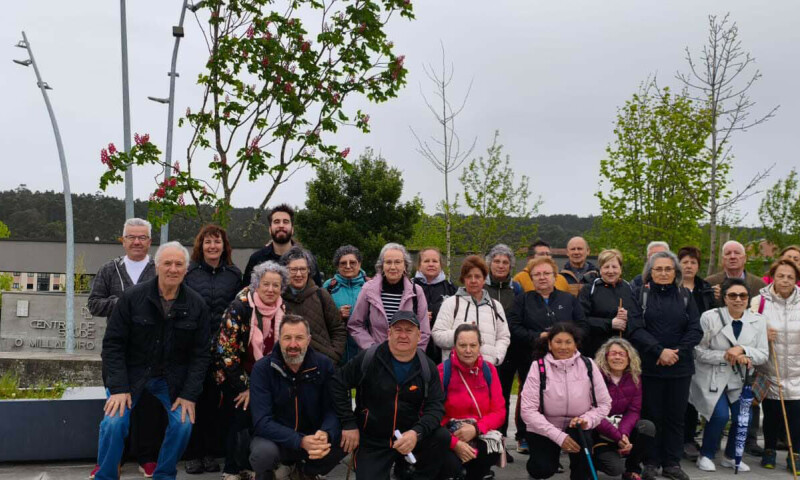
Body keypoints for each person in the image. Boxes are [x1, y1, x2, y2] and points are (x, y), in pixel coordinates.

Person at [92, 242, 211, 480]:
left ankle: (164, 475)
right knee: (114, 424)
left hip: (172, 379)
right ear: (157, 266)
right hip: (132, 375)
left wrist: (189, 394)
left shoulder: (197, 305)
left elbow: (201, 355)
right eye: (167, 263)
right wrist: (118, 388)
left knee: (183, 424)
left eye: (179, 264)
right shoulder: (132, 298)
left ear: (186, 269)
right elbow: (113, 345)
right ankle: (106, 475)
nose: (173, 269)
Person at [331, 310, 450, 480]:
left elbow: (436, 406)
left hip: (409, 438)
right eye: (398, 330)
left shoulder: (427, 366)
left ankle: (409, 474)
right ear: (389, 333)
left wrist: (416, 432)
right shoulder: (369, 358)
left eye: (409, 331)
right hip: (373, 440)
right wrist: (348, 423)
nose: (403, 335)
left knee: (441, 437)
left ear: (419, 336)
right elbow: (338, 383)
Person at [87, 218, 161, 478]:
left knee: (148, 411)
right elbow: (94, 304)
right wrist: (123, 303)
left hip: (152, 353)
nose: (137, 241)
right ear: (123, 240)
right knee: (115, 410)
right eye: (131, 237)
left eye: (142, 237)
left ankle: (147, 457)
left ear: (150, 242)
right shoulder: (110, 269)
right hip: (117, 353)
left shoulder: (159, 269)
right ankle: (110, 460)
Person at [628, 251, 702, 480]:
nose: (663, 273)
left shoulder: (685, 296)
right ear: (650, 272)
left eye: (668, 269)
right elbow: (635, 328)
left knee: (675, 417)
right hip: (650, 366)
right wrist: (659, 351)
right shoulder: (640, 295)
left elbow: (695, 330)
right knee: (652, 416)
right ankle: (650, 461)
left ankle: (672, 462)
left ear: (675, 272)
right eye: (658, 269)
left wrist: (676, 353)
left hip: (680, 368)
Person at [214, 261, 290, 480]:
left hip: (268, 375)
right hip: (235, 374)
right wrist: (247, 387)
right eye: (266, 284)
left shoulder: (283, 308)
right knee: (242, 413)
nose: (270, 290)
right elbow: (226, 352)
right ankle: (231, 468)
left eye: (276, 285)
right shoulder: (239, 307)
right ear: (257, 284)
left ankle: (262, 465)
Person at [505, 256, 587, 456]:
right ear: (531, 278)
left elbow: (583, 325)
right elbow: (513, 327)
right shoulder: (523, 300)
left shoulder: (568, 299)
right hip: (531, 359)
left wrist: (566, 340)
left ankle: (564, 438)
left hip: (566, 362)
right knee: (532, 400)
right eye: (537, 275)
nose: (542, 278)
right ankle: (527, 437)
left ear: (554, 276)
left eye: (546, 273)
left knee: (559, 399)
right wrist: (537, 337)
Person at [248, 315, 346, 480]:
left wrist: (326, 433)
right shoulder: (262, 369)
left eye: (299, 338)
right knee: (262, 454)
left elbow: (333, 409)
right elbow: (261, 421)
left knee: (347, 437)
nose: (293, 345)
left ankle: (306, 472)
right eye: (287, 338)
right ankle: (269, 473)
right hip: (276, 439)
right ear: (279, 339)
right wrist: (300, 440)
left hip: (313, 436)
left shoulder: (324, 365)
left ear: (308, 340)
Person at [690, 278, 769, 472]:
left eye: (742, 295)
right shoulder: (710, 317)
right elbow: (698, 351)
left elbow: (763, 354)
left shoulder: (758, 321)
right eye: (732, 295)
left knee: (745, 417)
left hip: (739, 379)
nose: (738, 299)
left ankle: (731, 456)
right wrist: (727, 355)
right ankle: (706, 455)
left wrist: (742, 350)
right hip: (711, 376)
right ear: (725, 298)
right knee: (720, 415)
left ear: (748, 299)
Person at [183, 224, 242, 475]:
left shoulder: (234, 274)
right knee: (196, 399)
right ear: (200, 245)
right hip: (195, 348)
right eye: (207, 242)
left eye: (217, 241)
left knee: (220, 404)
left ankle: (213, 453)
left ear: (224, 246)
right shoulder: (190, 272)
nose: (212, 246)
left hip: (225, 349)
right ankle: (194, 454)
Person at [519, 322, 612, 480]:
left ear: (576, 344)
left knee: (585, 471)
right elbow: (528, 411)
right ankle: (540, 465)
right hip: (546, 427)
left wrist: (587, 420)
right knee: (542, 469)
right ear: (549, 344)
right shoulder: (538, 367)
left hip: (578, 426)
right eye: (558, 342)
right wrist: (559, 437)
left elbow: (604, 404)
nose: (563, 347)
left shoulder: (589, 365)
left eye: (568, 342)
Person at [705, 239, 767, 456]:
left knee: (749, 397)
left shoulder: (759, 284)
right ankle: (710, 445)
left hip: (748, 350)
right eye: (728, 253)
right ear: (722, 259)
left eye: (737, 253)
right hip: (719, 352)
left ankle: (748, 440)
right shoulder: (709, 282)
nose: (732, 256)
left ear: (744, 258)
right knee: (718, 406)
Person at [439, 324, 506, 480]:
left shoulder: (489, 370)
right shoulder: (442, 371)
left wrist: (476, 429)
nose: (468, 350)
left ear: (480, 346)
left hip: (478, 432)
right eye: (462, 345)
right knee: (452, 466)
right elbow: (433, 414)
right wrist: (454, 442)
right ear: (454, 346)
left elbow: (500, 412)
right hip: (450, 434)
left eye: (473, 345)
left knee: (488, 452)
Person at [751, 259, 800, 469]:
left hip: (798, 369)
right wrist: (761, 332)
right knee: (772, 414)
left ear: (796, 279)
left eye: (790, 276)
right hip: (772, 369)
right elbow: (749, 330)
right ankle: (769, 450)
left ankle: (795, 455)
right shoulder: (759, 302)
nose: (785, 280)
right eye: (781, 276)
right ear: (773, 277)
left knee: (797, 416)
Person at [593, 338, 656, 480]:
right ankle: (592, 463)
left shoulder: (634, 378)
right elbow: (593, 413)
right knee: (615, 469)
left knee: (647, 427)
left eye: (622, 354)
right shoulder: (594, 377)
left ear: (629, 358)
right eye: (613, 353)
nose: (617, 357)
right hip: (599, 431)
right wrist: (617, 437)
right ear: (606, 356)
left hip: (622, 429)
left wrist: (623, 434)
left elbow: (634, 410)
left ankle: (632, 469)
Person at [348, 243, 429, 350]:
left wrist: (413, 354)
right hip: (376, 356)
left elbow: (424, 330)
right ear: (382, 266)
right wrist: (372, 348)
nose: (393, 267)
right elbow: (355, 325)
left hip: (407, 356)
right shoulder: (368, 290)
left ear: (405, 266)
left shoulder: (416, 291)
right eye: (388, 262)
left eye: (398, 262)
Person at [432, 255, 510, 366]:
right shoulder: (451, 303)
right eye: (469, 276)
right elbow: (437, 335)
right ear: (463, 279)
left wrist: (496, 357)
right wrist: (461, 334)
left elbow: (503, 337)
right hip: (455, 371)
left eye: (477, 276)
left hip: (486, 371)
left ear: (484, 279)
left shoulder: (496, 306)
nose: (473, 280)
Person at [677, 246, 716, 460]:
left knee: (695, 396)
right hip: (677, 346)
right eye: (685, 262)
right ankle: (677, 439)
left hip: (701, 347)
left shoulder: (706, 288)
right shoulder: (672, 286)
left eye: (693, 262)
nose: (689, 266)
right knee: (679, 396)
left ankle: (690, 438)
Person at [280, 246, 346, 364]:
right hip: (290, 364)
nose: (299, 274)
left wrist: (334, 356)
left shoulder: (321, 295)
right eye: (293, 270)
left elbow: (338, 329)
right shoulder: (279, 299)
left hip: (323, 365)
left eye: (303, 269)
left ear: (309, 270)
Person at [242, 204, 322, 288]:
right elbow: (246, 293)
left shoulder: (308, 259)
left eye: (285, 222)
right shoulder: (256, 259)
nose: (281, 225)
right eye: (276, 222)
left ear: (292, 229)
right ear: (270, 229)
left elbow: (317, 292)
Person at [579, 249, 637, 358]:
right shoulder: (589, 289)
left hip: (623, 352)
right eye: (606, 267)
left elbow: (637, 317)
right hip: (596, 350)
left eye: (614, 267)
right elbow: (581, 320)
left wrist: (628, 316)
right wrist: (610, 323)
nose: (610, 271)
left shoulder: (628, 288)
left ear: (620, 269)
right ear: (600, 269)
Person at [322, 245, 369, 364]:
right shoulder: (329, 287)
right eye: (343, 263)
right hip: (338, 352)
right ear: (337, 266)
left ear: (359, 264)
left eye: (352, 262)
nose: (348, 266)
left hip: (365, 350)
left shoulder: (370, 285)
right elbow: (320, 317)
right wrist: (337, 314)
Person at [413, 247, 458, 363]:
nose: (431, 264)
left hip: (442, 348)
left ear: (441, 265)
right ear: (419, 265)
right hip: (415, 344)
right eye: (426, 261)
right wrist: (418, 318)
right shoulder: (409, 286)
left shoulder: (451, 288)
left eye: (435, 261)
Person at [483, 244, 522, 314]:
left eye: (505, 262)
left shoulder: (517, 289)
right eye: (497, 261)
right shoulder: (480, 286)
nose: (501, 266)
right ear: (489, 264)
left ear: (510, 266)